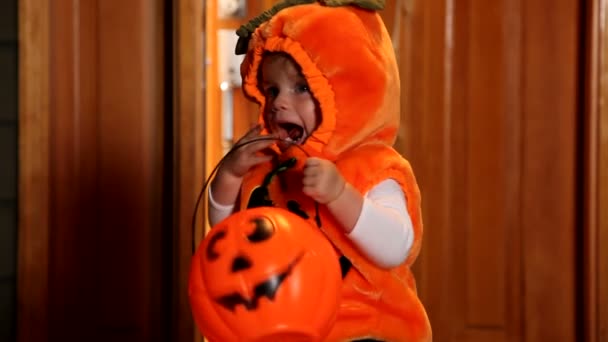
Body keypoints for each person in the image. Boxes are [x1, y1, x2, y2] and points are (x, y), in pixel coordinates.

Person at [208, 1, 432, 341]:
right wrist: (229, 176)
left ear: (345, 93)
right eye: (272, 90)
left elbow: (396, 247)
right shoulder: (269, 167)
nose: (280, 102)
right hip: (282, 326)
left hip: (364, 328)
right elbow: (226, 233)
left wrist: (340, 196)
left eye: (301, 88)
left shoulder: (374, 168)